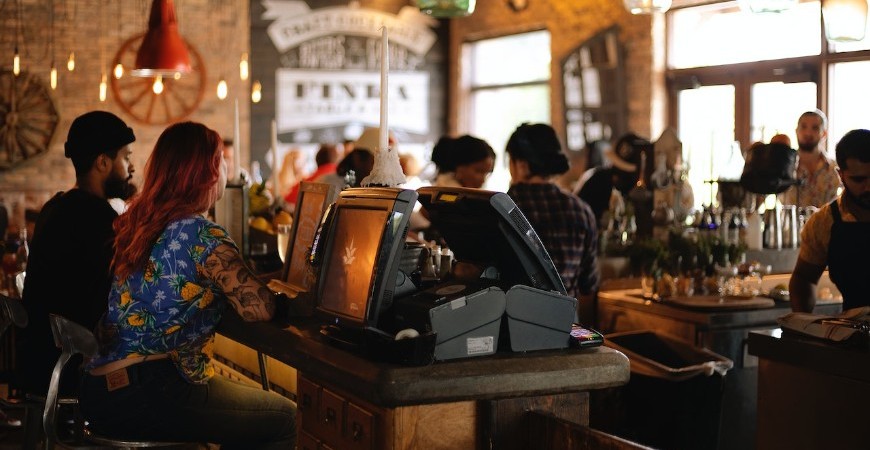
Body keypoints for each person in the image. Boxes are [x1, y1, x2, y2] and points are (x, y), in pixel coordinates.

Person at [79, 122, 296, 447]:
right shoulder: (202, 234)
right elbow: (259, 309)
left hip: (99, 390)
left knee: (246, 416)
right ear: (208, 172)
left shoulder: (139, 224)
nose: (226, 169)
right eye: (222, 160)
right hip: (150, 390)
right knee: (286, 418)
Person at [15, 110, 136, 397]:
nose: (131, 167)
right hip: (70, 369)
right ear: (103, 162)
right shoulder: (98, 220)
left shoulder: (55, 207)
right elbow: (123, 293)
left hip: (38, 362)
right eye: (126, 158)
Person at [505, 123, 600, 312]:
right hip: (564, 323)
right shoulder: (581, 211)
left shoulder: (505, 207)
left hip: (513, 322)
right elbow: (589, 283)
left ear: (521, 164)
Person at [790, 129, 870, 313]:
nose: (868, 187)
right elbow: (804, 278)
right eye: (859, 179)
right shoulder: (823, 222)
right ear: (841, 176)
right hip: (853, 326)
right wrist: (803, 320)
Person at [779, 110, 841, 207]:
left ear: (824, 134)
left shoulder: (835, 168)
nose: (808, 133)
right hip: (791, 217)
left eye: (815, 128)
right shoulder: (784, 166)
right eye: (803, 127)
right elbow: (758, 195)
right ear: (796, 131)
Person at [430, 135, 496, 189]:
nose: (483, 180)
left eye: (487, 173)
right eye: (479, 171)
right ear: (460, 166)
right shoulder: (449, 193)